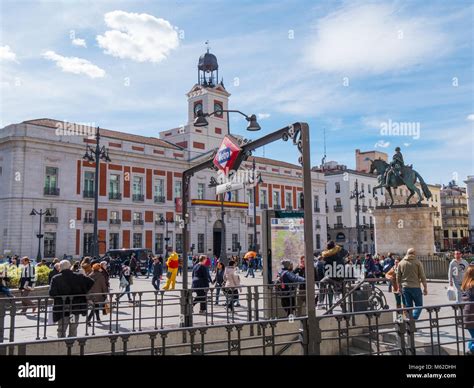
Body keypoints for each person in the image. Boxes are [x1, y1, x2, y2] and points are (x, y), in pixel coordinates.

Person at [49, 260, 94, 338]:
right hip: (74, 309)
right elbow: (91, 282)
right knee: (73, 328)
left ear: (60, 267)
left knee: (62, 329)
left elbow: (52, 293)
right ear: (70, 267)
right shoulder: (78, 276)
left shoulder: (56, 278)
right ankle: (71, 344)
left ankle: (61, 343)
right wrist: (83, 290)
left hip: (62, 309)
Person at [396, 248, 427, 320]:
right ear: (414, 253)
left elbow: (398, 277)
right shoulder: (417, 262)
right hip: (415, 287)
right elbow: (422, 276)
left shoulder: (401, 263)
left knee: (408, 306)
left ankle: (409, 320)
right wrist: (425, 288)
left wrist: (399, 287)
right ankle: (413, 319)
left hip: (405, 287)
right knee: (419, 305)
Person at [460, 263, 474, 354]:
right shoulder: (472, 285)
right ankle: (470, 350)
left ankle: (470, 350)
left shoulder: (466, 284)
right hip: (472, 315)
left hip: (467, 315)